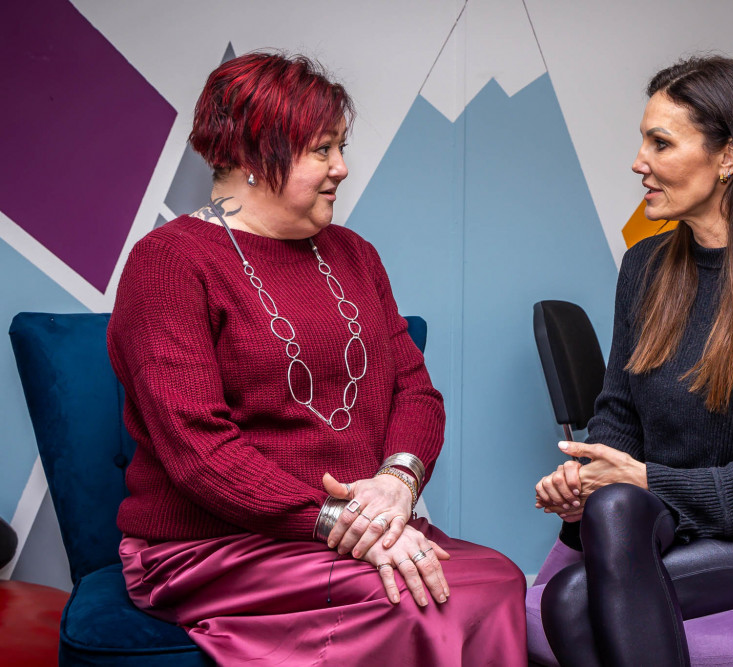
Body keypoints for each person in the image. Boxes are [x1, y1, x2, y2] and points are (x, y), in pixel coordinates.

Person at [108, 52, 526, 666]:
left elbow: (415, 393)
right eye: (321, 151)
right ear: (253, 156)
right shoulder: (170, 262)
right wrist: (339, 523)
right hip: (219, 545)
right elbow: (198, 449)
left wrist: (396, 482)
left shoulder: (354, 254)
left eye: (340, 146)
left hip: (345, 533)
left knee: (498, 576)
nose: (342, 168)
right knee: (427, 599)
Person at [532, 56, 733, 666]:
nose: (639, 162)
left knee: (569, 601)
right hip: (661, 523)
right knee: (606, 512)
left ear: (728, 157)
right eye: (643, 141)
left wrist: (650, 481)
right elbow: (619, 418)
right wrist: (586, 479)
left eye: (661, 143)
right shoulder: (644, 268)